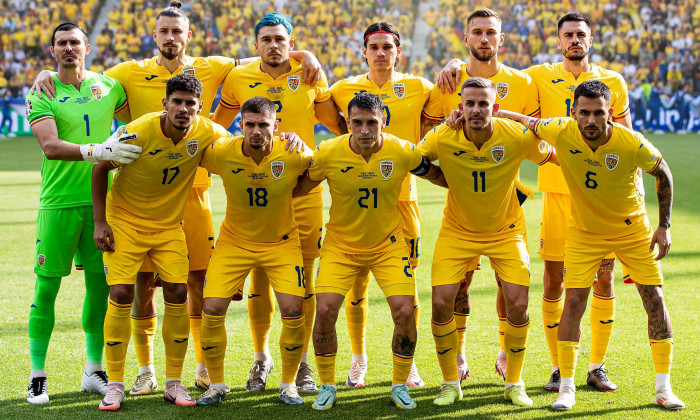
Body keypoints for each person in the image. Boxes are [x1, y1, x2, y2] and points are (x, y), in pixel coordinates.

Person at [30, 2, 321, 395]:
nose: (171, 38)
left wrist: (304, 54)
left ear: (188, 36)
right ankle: (146, 370)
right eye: (163, 31)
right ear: (155, 35)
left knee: (195, 281)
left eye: (177, 32)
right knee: (141, 284)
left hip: (193, 190)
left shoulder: (213, 66)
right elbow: (82, 74)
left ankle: (201, 366)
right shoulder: (126, 74)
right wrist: (47, 73)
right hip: (138, 193)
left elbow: (267, 54)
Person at [495, 80, 684, 412]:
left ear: (610, 113)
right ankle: (567, 388)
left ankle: (664, 388)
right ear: (573, 112)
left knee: (654, 299)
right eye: (584, 113)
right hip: (583, 234)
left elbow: (663, 171)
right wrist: (494, 113)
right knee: (575, 303)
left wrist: (664, 226)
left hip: (632, 232)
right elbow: (527, 122)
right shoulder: (561, 129)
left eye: (599, 113)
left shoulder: (631, 142)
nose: (592, 120)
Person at [212, 12, 344, 394]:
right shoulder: (238, 78)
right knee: (259, 275)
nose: (273, 45)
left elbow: (338, 125)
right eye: (266, 39)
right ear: (256, 44)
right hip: (256, 191)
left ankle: (300, 363)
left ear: (290, 42)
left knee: (302, 278)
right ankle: (261, 357)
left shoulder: (309, 74)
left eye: (280, 39)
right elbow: (218, 127)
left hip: (301, 191)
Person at [294, 92, 447, 410]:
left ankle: (399, 384)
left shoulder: (403, 151)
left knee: (405, 312)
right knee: (324, 312)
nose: (365, 129)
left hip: (389, 246)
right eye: (358, 122)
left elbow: (437, 174)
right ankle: (327, 385)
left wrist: (480, 186)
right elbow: (299, 187)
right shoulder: (328, 152)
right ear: (347, 123)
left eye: (372, 122)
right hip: (340, 246)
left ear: (384, 122)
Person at [92, 74, 229, 411]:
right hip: (125, 221)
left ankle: (173, 382)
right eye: (177, 102)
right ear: (164, 103)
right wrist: (100, 221)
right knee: (122, 293)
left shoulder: (206, 131)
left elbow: (239, 147)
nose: (183, 109)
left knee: (178, 292)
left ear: (199, 107)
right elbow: (99, 168)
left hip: (168, 227)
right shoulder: (139, 131)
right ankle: (115, 384)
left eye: (190, 103)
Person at [24, 22, 139, 404]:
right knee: (47, 287)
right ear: (52, 51)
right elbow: (51, 146)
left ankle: (93, 369)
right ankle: (37, 375)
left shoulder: (109, 86)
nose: (69, 48)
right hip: (58, 203)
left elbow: (143, 109)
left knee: (100, 288)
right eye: (62, 44)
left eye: (75, 42)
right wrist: (98, 151)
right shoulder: (42, 89)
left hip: (104, 205)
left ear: (87, 46)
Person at [422, 77, 555, 407]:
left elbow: (552, 153)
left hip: (506, 232)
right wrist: (445, 179)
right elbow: (415, 159)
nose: (477, 109)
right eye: (470, 103)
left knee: (518, 304)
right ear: (460, 107)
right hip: (457, 231)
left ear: (495, 108)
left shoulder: (515, 136)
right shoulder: (443, 135)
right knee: (440, 304)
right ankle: (450, 383)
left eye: (484, 104)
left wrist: (519, 119)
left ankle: (514, 383)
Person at [522, 12, 634, 392]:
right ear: (558, 41)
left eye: (580, 34)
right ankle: (558, 367)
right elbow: (493, 78)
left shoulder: (613, 82)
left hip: (601, 200)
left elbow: (627, 139)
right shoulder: (537, 76)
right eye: (567, 34)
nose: (574, 39)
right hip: (557, 193)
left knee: (604, 279)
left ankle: (597, 366)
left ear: (590, 39)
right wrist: (456, 63)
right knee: (554, 281)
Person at [328, 21, 442, 389]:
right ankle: (358, 359)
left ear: (398, 53)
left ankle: (407, 364)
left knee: (406, 288)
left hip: (403, 199)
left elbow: (441, 117)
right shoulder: (342, 89)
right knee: (355, 286)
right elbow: (327, 117)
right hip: (356, 196)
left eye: (387, 47)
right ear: (364, 51)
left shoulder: (419, 87)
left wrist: (454, 63)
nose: (380, 53)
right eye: (373, 47)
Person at [430, 8, 540, 380]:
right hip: (461, 198)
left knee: (506, 282)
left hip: (507, 195)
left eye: (490, 33)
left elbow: (534, 134)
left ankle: (505, 352)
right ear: (466, 38)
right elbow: (434, 138)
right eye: (476, 32)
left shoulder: (523, 82)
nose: (483, 39)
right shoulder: (448, 79)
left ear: (501, 39)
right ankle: (458, 355)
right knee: (461, 280)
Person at [196, 97, 313, 407]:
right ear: (241, 125)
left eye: (264, 125)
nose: (256, 131)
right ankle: (216, 385)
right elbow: (186, 154)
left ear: (276, 127)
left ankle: (288, 385)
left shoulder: (293, 153)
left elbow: (319, 168)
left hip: (281, 243)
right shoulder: (222, 152)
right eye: (250, 124)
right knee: (212, 308)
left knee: (292, 310)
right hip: (234, 242)